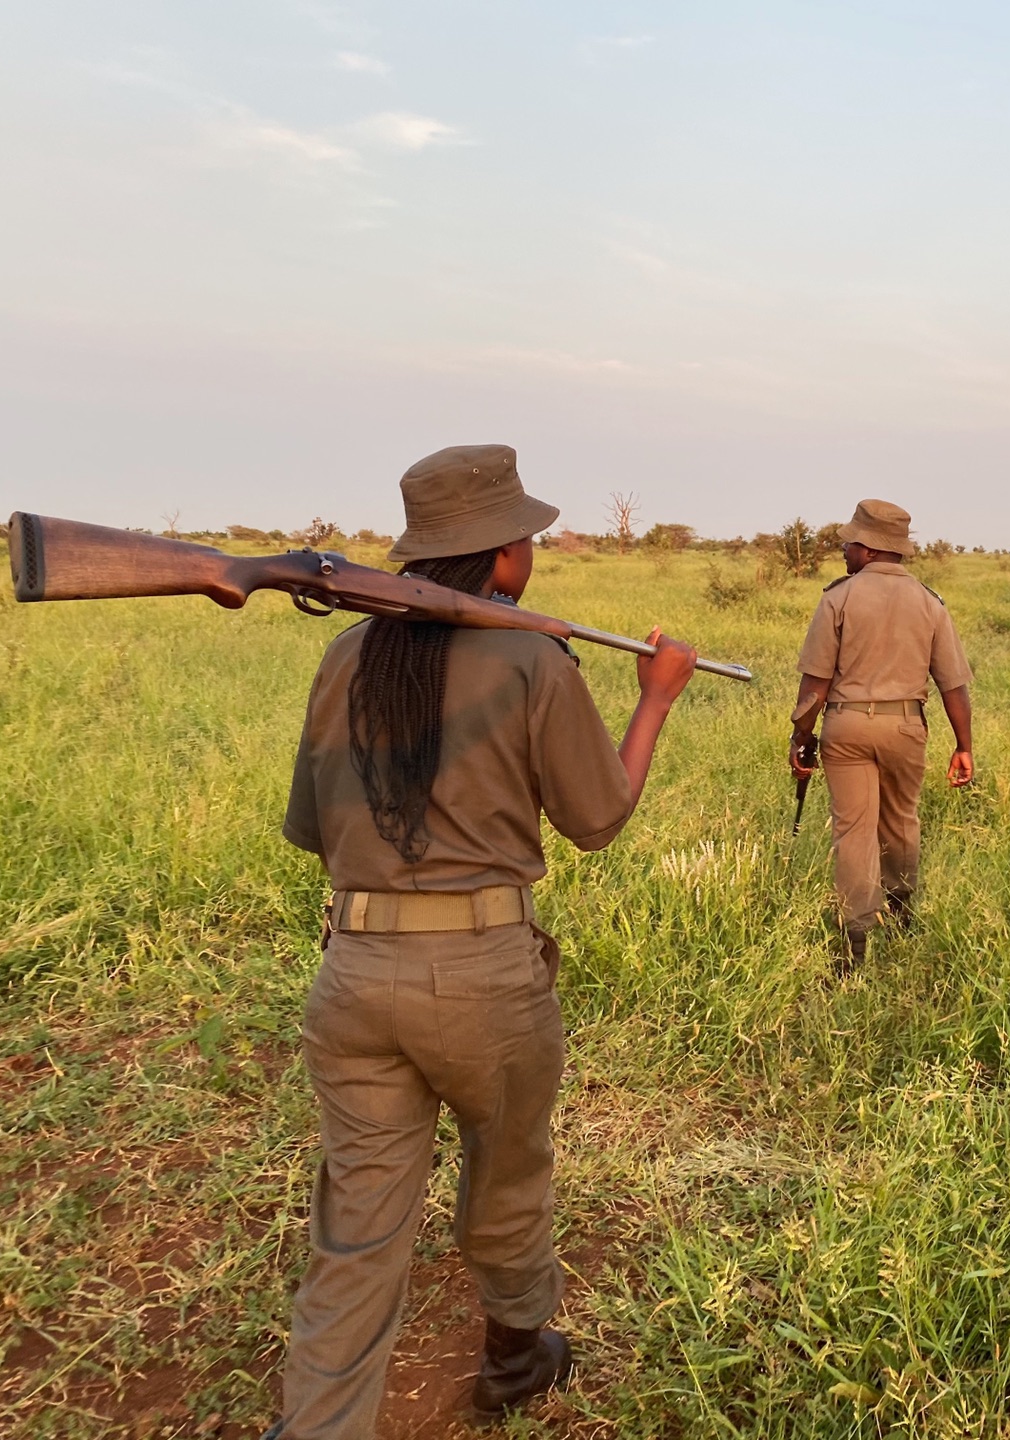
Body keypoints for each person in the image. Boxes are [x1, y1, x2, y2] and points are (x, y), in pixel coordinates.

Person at [265, 445, 697, 1439]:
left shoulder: (346, 657)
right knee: (505, 1169)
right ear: (504, 558)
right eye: (526, 539)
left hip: (353, 971)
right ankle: (514, 1352)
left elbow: (312, 830)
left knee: (356, 1232)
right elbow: (598, 817)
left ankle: (318, 1425)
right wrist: (656, 697)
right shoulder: (533, 659)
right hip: (485, 978)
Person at [788, 499, 974, 964]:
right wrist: (964, 746)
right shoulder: (930, 603)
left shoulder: (838, 597)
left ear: (869, 549)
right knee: (901, 820)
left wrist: (801, 736)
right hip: (906, 724)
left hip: (846, 724)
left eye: (849, 543)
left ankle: (854, 939)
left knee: (853, 831)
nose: (844, 551)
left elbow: (815, 684)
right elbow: (953, 685)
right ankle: (901, 910)